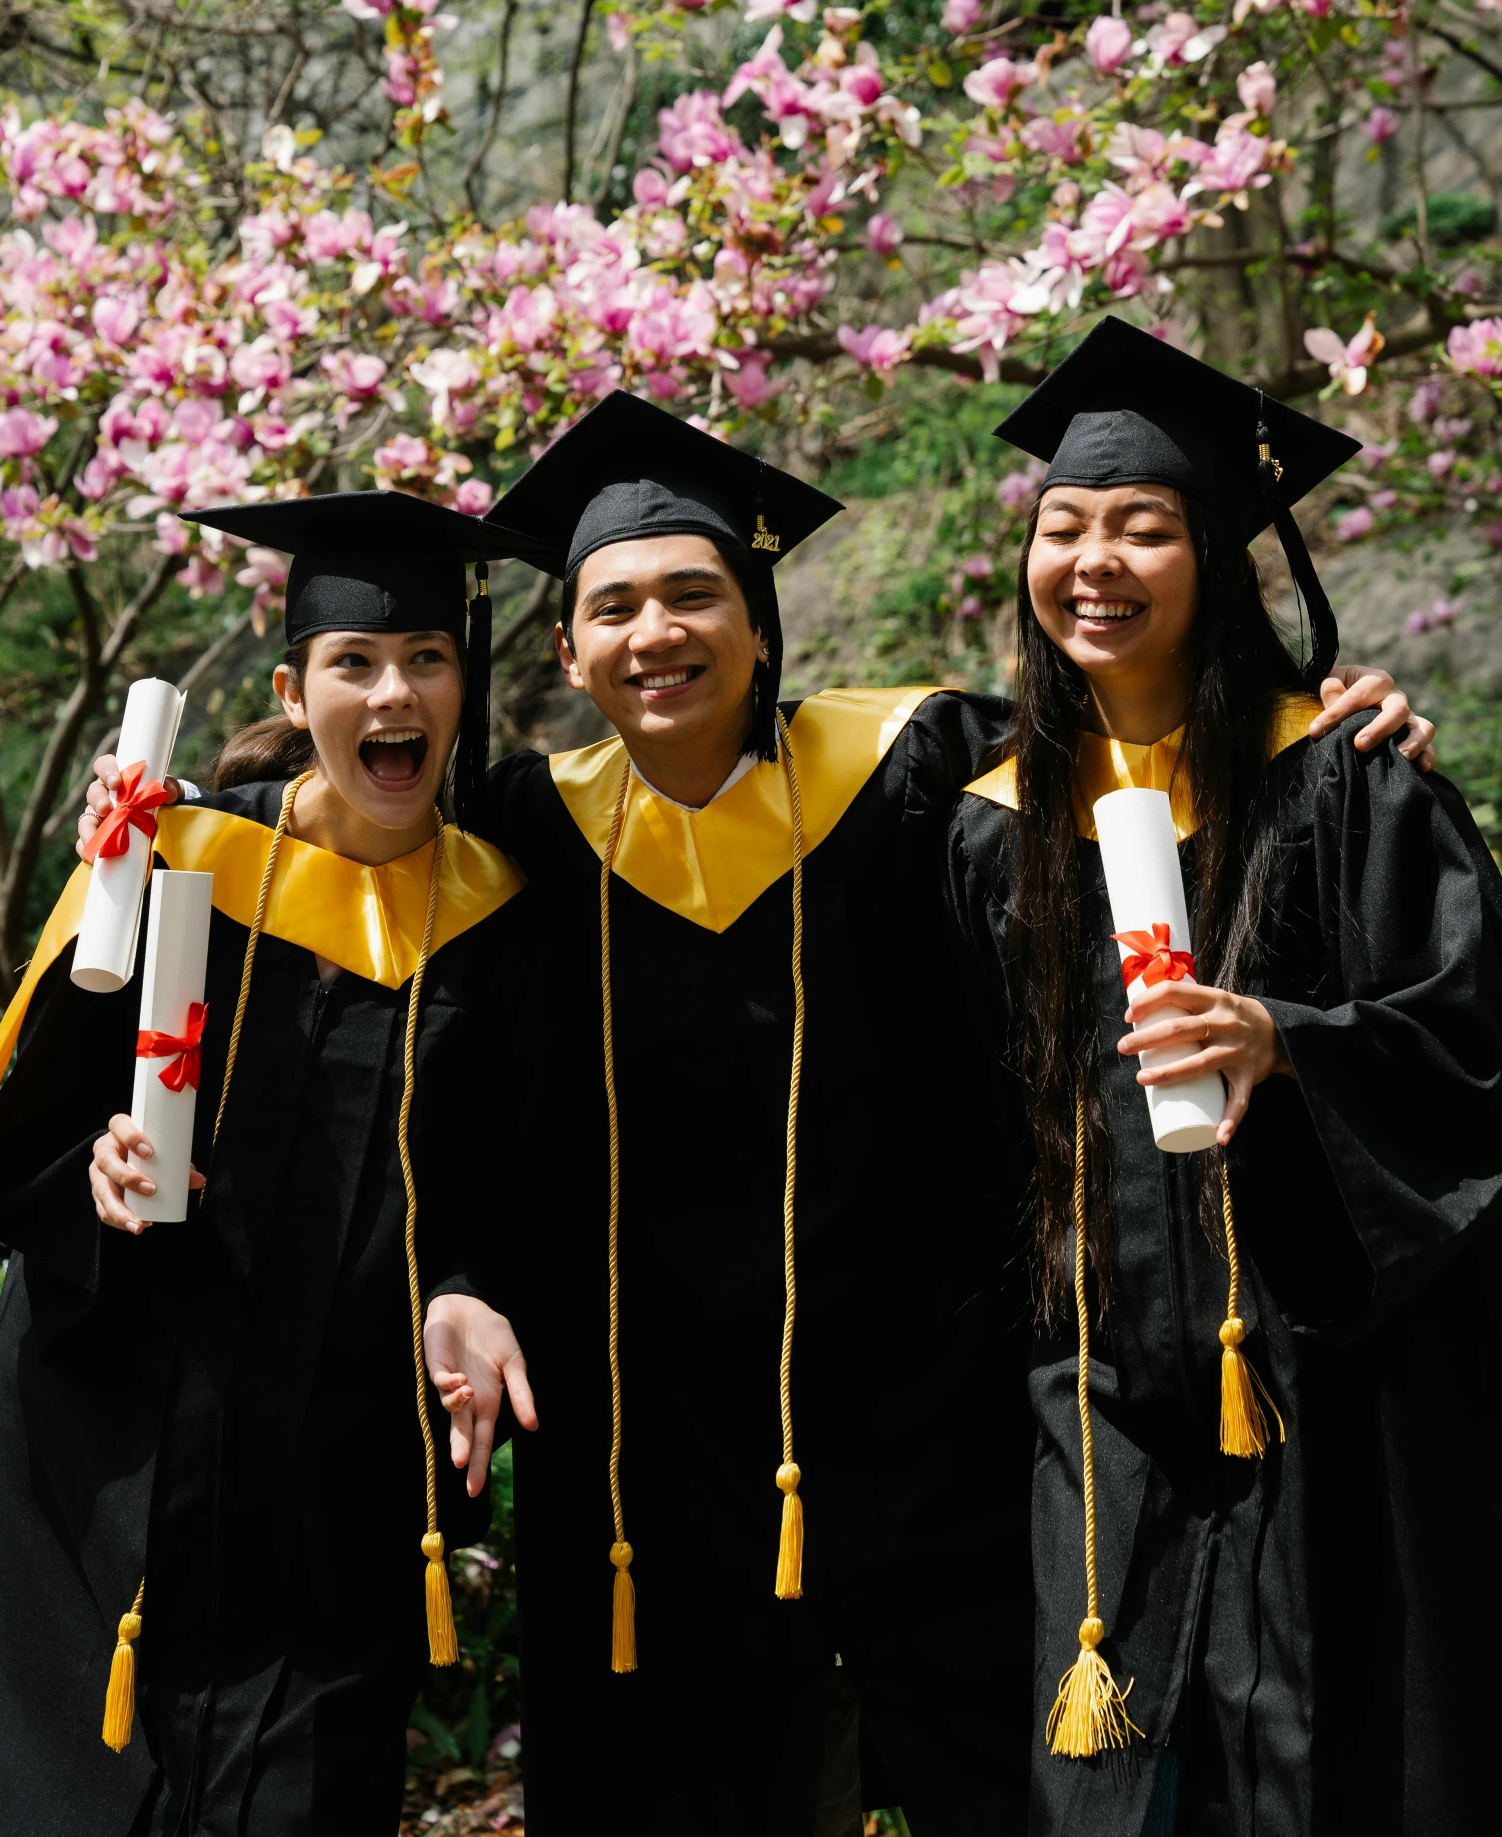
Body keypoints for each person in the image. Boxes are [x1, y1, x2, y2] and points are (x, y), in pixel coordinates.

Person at [77, 401, 1430, 1837]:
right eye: (613, 605)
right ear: (564, 652)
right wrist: (194, 806)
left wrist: (1319, 723)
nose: (655, 631)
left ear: (762, 623)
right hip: (649, 1460)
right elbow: (432, 1071)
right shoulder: (530, 838)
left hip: (933, 1422)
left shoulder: (914, 774)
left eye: (691, 593)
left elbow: (1136, 756)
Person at [947, 318, 1502, 1837]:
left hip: (1319, 1389)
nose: (1093, 559)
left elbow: (1476, 1051)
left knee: (1312, 1761)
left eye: (1143, 525)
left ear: (1221, 560)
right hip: (1101, 1389)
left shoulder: (1348, 780)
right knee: (1109, 1779)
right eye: (1062, 526)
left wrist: (1289, 1041)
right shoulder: (990, 825)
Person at [0, 492, 533, 1837]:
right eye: (357, 662)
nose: (397, 688)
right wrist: (92, 1168)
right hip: (107, 1465)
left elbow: (494, 1180)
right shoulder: (173, 855)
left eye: (430, 656)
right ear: (292, 685)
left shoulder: (497, 920)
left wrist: (468, 1287)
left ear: (463, 679)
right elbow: (22, 1124)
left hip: (328, 1498)